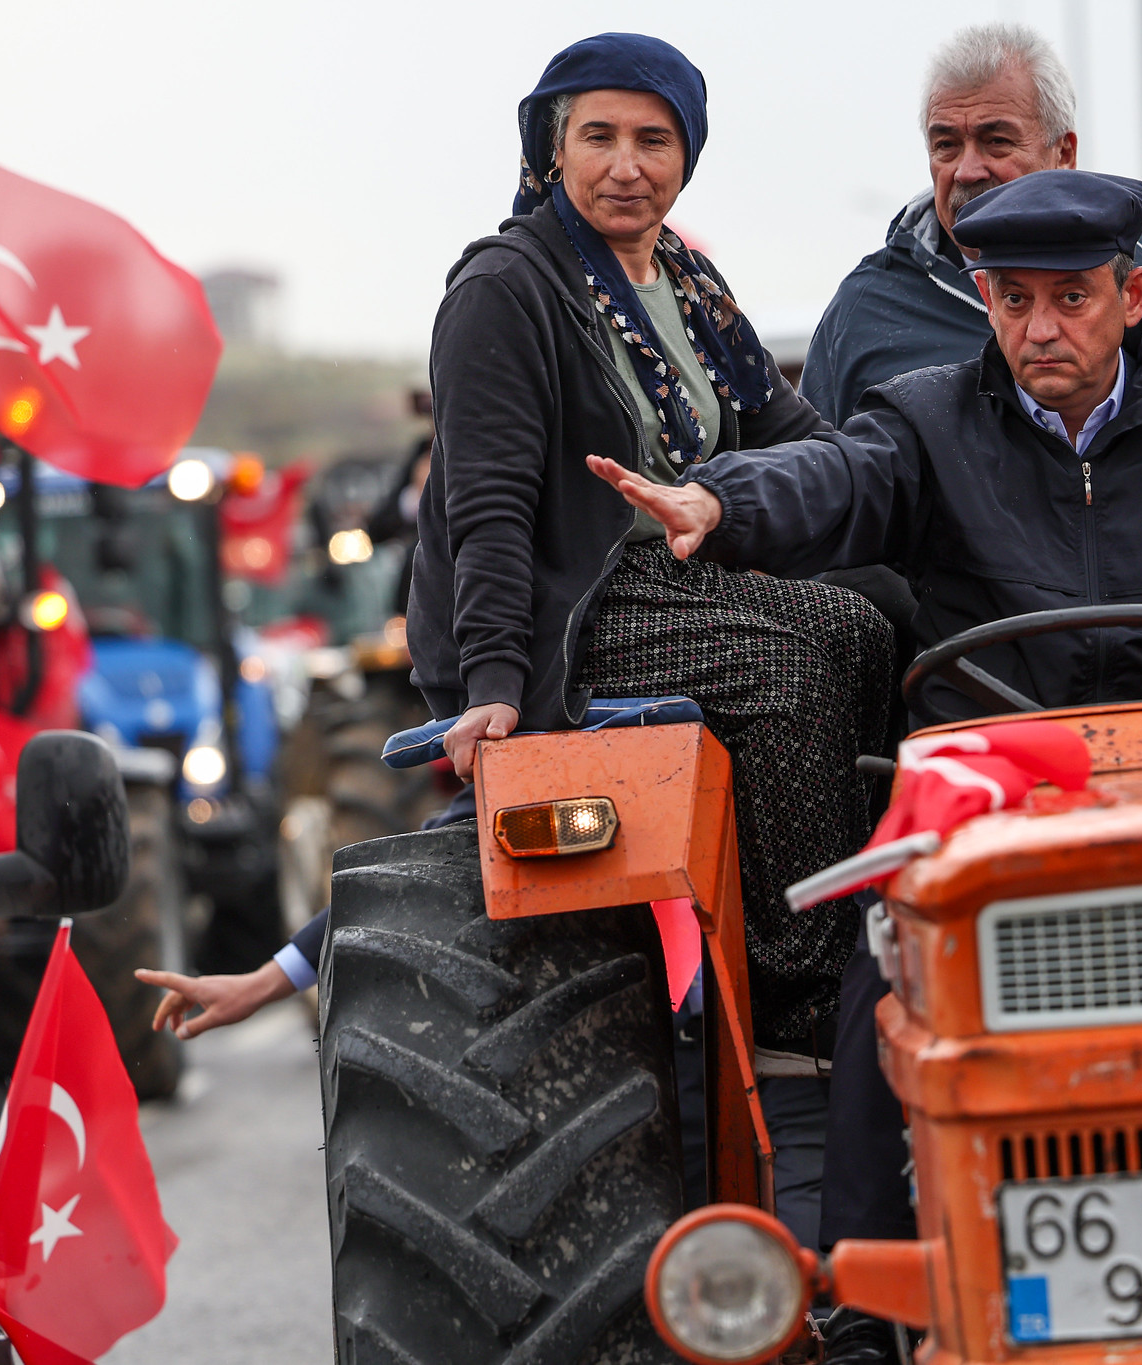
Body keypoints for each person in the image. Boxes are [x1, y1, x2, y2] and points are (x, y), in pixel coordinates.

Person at [139, 32, 893, 1252]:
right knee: (801, 653)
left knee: (881, 618)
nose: (627, 164)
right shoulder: (506, 287)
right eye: (599, 136)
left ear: (688, 155)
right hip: (565, 609)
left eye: (654, 139)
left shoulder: (690, 288)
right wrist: (493, 684)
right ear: (552, 147)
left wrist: (851, 485)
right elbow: (486, 503)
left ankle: (885, 932)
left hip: (682, 578)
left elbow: (795, 433)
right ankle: (804, 999)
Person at [593, 168, 1142, 1365]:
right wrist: (720, 505)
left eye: (1071, 298)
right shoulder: (926, 420)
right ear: (984, 300)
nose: (1040, 328)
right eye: (1011, 298)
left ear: (1133, 296)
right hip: (996, 786)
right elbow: (835, 477)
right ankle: (868, 1303)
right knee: (889, 958)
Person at [802, 23, 1142, 430]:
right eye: (946, 145)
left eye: (997, 141)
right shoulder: (863, 311)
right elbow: (814, 471)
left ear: (1064, 153)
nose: (967, 170)